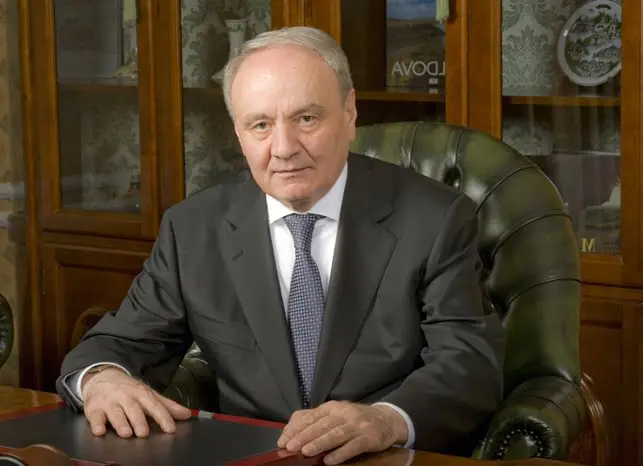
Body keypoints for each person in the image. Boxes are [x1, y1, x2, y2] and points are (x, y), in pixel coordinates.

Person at [56, 26, 505, 465]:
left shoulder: (434, 218)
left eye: (306, 119)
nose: (284, 148)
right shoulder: (193, 228)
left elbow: (469, 364)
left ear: (350, 114)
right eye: (261, 125)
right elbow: (118, 342)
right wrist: (101, 380)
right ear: (238, 134)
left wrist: (387, 420)